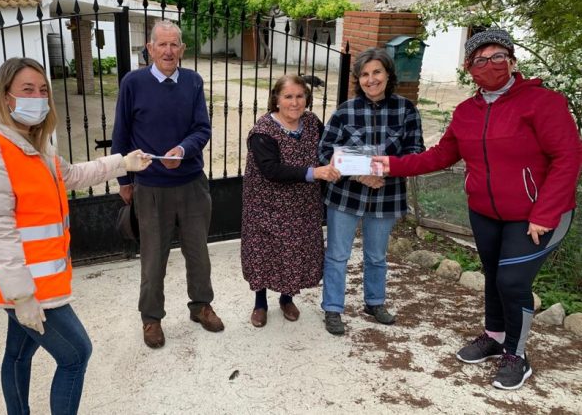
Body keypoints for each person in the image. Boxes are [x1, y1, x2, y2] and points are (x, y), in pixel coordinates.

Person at [375, 29, 581, 390]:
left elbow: (568, 157)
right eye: (480, 59)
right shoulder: (467, 111)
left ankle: (516, 355)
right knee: (492, 275)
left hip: (537, 214)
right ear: (469, 67)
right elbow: (441, 155)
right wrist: (389, 165)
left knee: (512, 281)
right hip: (485, 212)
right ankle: (495, 336)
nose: (490, 65)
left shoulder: (542, 102)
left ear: (512, 61)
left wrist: (544, 213)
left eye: (498, 56)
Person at [0, 57, 151, 414]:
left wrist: (123, 162)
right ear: (5, 96)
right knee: (76, 354)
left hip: (35, 279)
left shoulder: (28, 146)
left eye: (43, 89)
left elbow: (73, 175)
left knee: (18, 353)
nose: (38, 96)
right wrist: (22, 296)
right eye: (27, 89)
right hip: (25, 287)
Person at [112, 20, 224, 349]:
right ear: (149, 48)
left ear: (182, 50)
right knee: (153, 257)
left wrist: (183, 149)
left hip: (191, 183)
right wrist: (124, 180)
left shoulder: (192, 82)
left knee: (198, 252)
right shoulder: (133, 83)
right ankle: (151, 318)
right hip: (150, 186)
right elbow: (121, 135)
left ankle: (201, 306)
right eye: (162, 44)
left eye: (174, 44)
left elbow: (202, 129)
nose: (168, 51)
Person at [318, 47, 424, 336]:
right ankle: (333, 308)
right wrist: (362, 173)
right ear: (358, 79)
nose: (371, 79)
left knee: (376, 255)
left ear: (388, 75)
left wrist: (384, 170)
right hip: (346, 195)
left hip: (386, 196)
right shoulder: (345, 111)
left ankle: (374, 302)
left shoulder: (406, 110)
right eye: (364, 74)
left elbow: (416, 152)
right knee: (338, 254)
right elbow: (325, 150)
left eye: (376, 72)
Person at [241, 74, 340, 327]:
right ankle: (260, 303)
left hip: (301, 206)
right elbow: (271, 170)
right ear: (276, 99)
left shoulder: (311, 122)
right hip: (266, 206)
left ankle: (286, 298)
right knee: (264, 253)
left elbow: (327, 148)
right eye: (288, 97)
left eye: (299, 96)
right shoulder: (263, 131)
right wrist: (314, 173)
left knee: (293, 253)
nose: (295, 102)